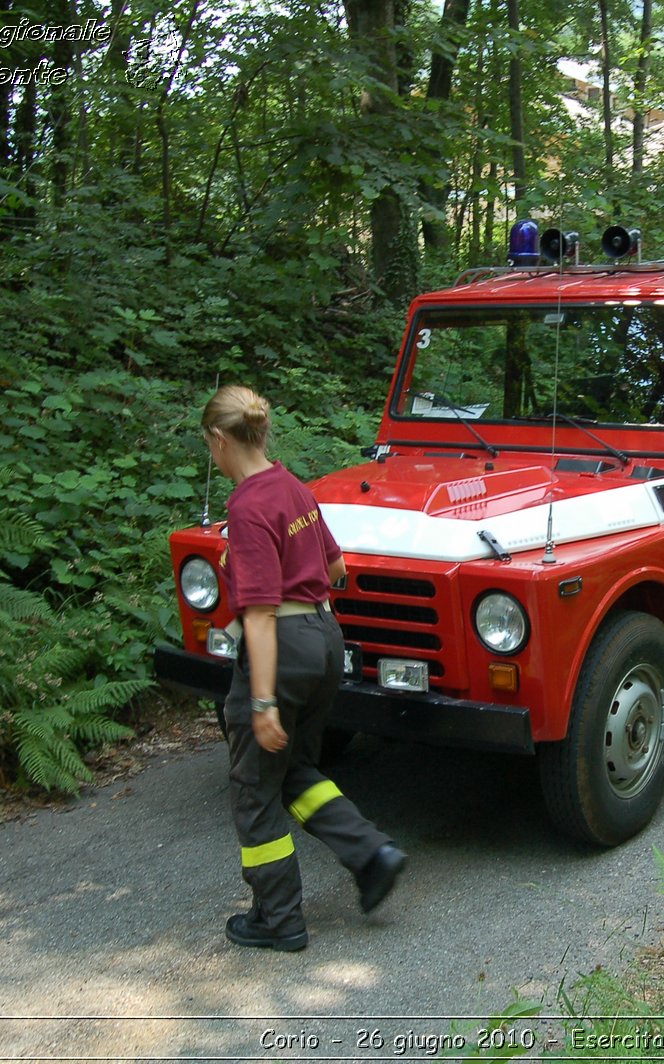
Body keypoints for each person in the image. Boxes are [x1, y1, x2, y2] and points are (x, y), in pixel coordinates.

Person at [201, 384, 405, 953]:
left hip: (284, 644)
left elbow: (260, 614)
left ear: (220, 440)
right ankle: (371, 853)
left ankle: (278, 917)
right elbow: (336, 566)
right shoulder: (293, 487)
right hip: (324, 638)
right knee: (292, 769)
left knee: (252, 788)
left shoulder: (247, 505)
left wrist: (262, 700)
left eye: (209, 446)